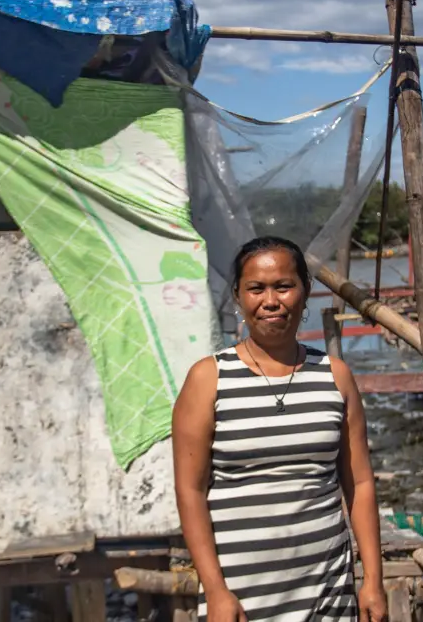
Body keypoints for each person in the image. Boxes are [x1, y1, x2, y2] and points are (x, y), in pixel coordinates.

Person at [172, 236, 388, 622]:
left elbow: (360, 483)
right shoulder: (208, 379)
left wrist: (373, 578)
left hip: (329, 587)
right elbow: (190, 491)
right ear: (238, 297)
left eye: (284, 286)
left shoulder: (335, 376)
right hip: (241, 594)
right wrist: (216, 589)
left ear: (305, 294)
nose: (270, 301)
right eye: (255, 288)